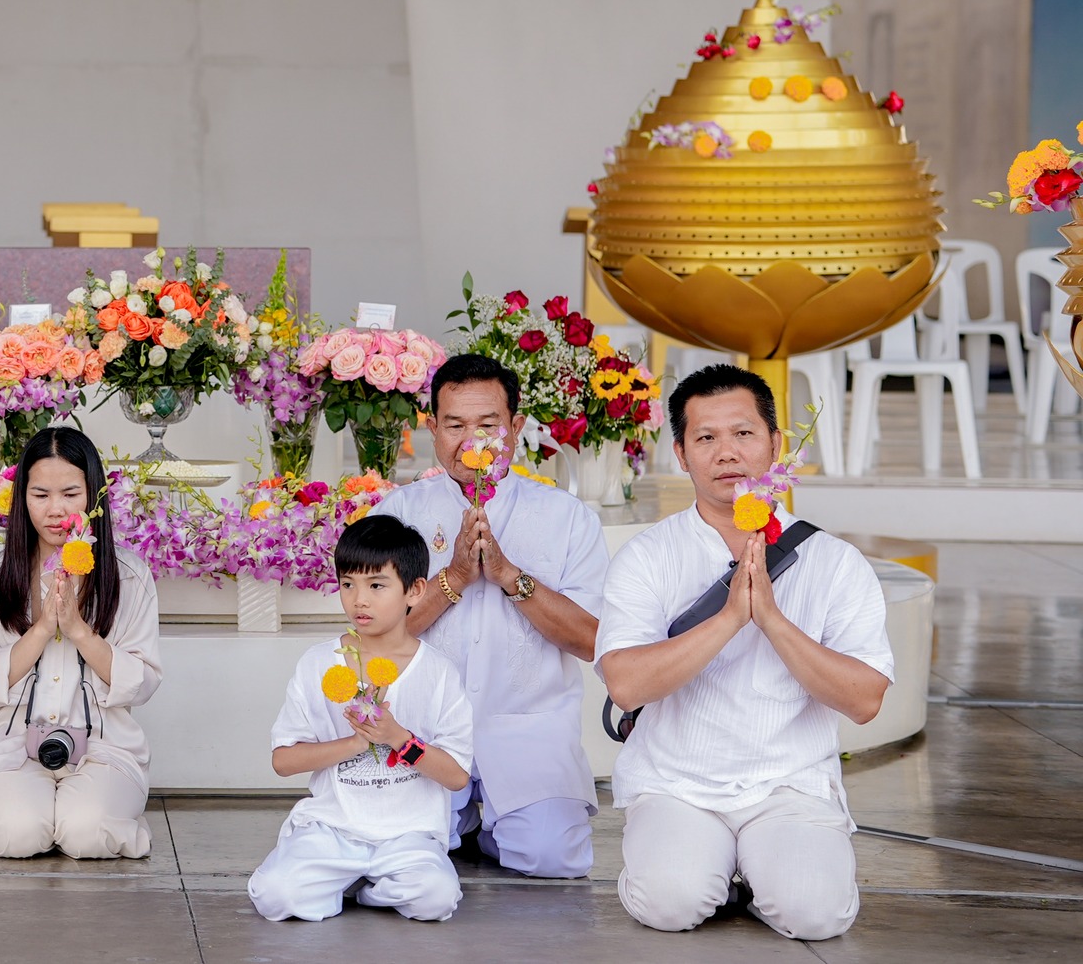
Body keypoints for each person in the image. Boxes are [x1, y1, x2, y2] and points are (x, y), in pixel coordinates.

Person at [597, 364, 893, 941]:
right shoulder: (648, 556)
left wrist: (773, 621)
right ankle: (712, 869)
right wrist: (732, 618)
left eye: (744, 433)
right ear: (680, 454)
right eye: (706, 438)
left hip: (790, 782)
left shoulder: (834, 561)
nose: (727, 452)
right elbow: (625, 686)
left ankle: (761, 877)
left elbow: (863, 701)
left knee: (817, 916)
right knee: (670, 904)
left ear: (776, 445)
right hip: (676, 783)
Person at [371, 351, 608, 879]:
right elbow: (374, 640)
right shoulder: (397, 513)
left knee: (553, 859)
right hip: (422, 731)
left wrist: (509, 578)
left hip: (528, 731)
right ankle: (465, 824)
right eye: (454, 425)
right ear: (431, 427)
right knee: (396, 855)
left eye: (488, 425)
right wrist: (452, 577)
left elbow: (593, 641)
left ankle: (487, 827)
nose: (471, 442)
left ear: (516, 427)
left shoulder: (566, 518)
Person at [248, 516, 475, 924]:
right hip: (333, 829)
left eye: (376, 585)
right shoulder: (319, 663)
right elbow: (283, 761)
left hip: (409, 835)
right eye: (348, 584)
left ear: (415, 590)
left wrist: (397, 738)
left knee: (436, 899)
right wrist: (355, 744)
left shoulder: (438, 671)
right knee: (275, 895)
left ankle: (365, 890)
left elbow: (457, 776)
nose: (359, 600)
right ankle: (341, 876)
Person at [0, 427, 163, 859]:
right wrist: (41, 627)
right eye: (40, 495)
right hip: (12, 744)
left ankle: (95, 814)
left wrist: (79, 631)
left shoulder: (130, 576)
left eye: (70, 493)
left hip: (104, 746)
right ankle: (43, 815)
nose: (56, 510)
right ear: (22, 498)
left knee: (87, 833)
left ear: (94, 496)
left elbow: (142, 682)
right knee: (19, 833)